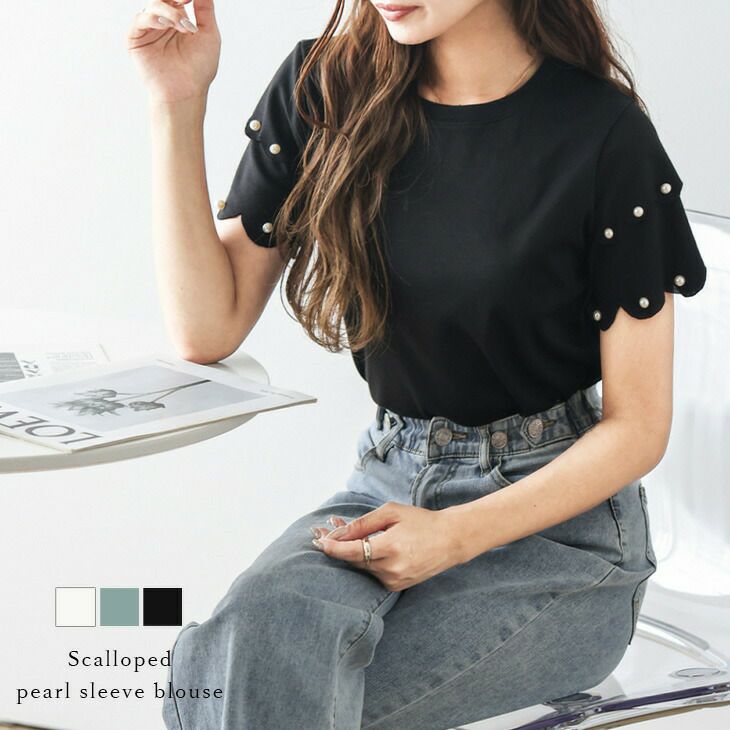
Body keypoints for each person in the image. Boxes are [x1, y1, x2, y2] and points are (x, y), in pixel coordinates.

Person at [128, 1, 708, 728]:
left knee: (248, 690)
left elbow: (638, 427)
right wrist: (176, 104)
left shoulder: (601, 131)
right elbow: (205, 328)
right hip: (386, 485)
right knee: (247, 650)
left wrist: (454, 535)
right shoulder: (327, 89)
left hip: (557, 534)